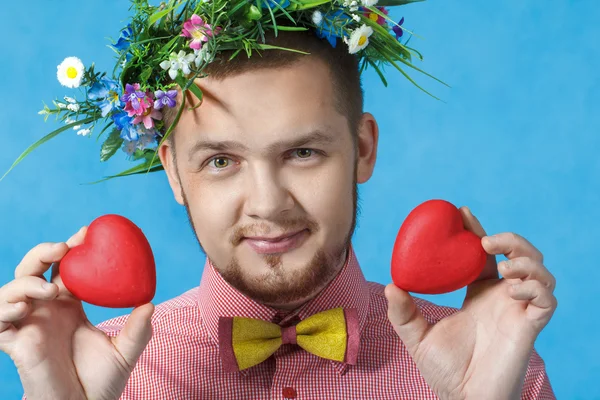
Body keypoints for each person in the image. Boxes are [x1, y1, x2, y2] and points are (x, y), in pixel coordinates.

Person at [0, 1, 557, 398]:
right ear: (172, 170)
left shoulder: (497, 365)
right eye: (221, 162)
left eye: (304, 153)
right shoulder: (93, 372)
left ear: (362, 149)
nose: (267, 204)